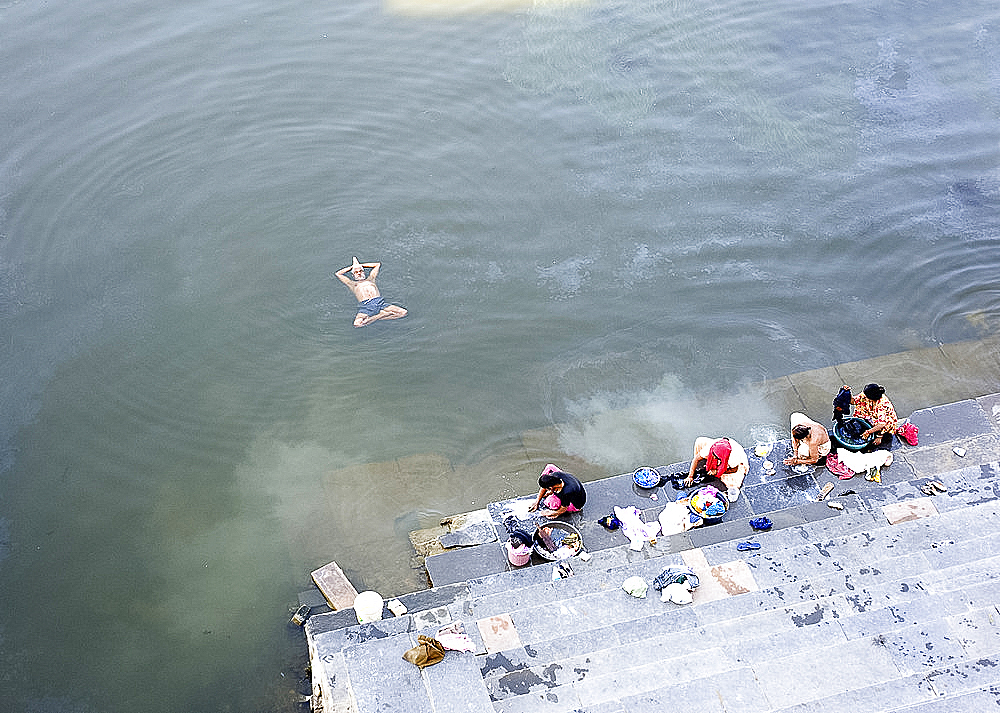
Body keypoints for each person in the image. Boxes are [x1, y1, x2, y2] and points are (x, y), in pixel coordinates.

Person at [335, 257, 408, 327]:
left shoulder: (371, 279)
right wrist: (353, 267)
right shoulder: (352, 284)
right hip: (366, 306)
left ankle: (375, 318)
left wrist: (361, 265)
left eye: (360, 271)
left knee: (403, 312)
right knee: (357, 324)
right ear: (353, 275)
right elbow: (338, 274)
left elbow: (377, 265)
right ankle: (381, 315)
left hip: (379, 302)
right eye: (356, 272)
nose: (359, 273)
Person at [684, 437, 749, 502]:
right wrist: (690, 476)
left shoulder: (733, 458)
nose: (714, 457)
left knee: (733, 484)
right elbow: (696, 459)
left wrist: (717, 471)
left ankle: (720, 466)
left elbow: (734, 470)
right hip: (720, 444)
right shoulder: (710, 448)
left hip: (735, 457)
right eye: (713, 455)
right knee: (699, 441)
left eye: (716, 457)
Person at [847, 383, 898, 450]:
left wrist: (869, 432)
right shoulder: (865, 394)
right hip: (872, 413)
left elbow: (882, 424)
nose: (864, 396)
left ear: (872, 399)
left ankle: (880, 435)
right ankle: (866, 422)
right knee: (860, 405)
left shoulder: (882, 405)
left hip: (886, 421)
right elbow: (853, 401)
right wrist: (848, 392)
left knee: (881, 425)